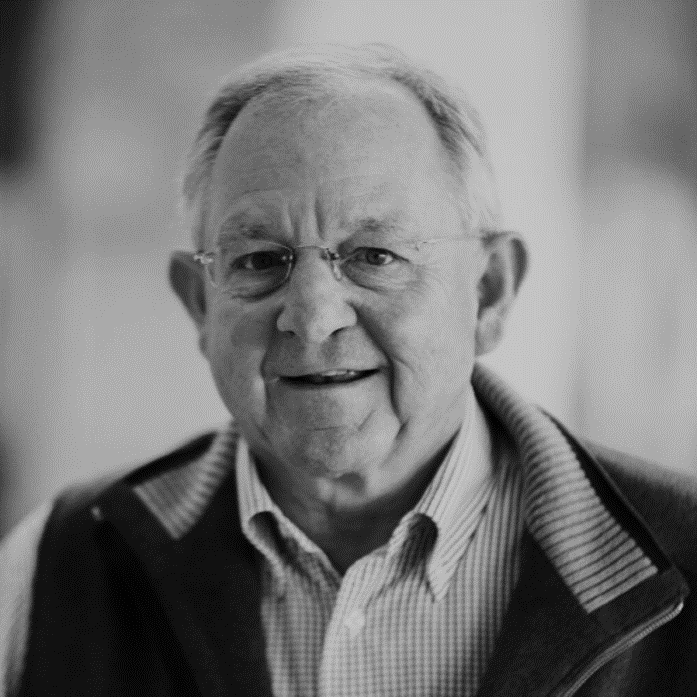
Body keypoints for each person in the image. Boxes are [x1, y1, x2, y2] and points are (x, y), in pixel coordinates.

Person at [1, 43, 696, 697]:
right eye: (259, 260)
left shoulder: (685, 557)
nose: (312, 317)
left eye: (375, 256)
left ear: (489, 292)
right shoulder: (56, 564)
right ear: (199, 304)